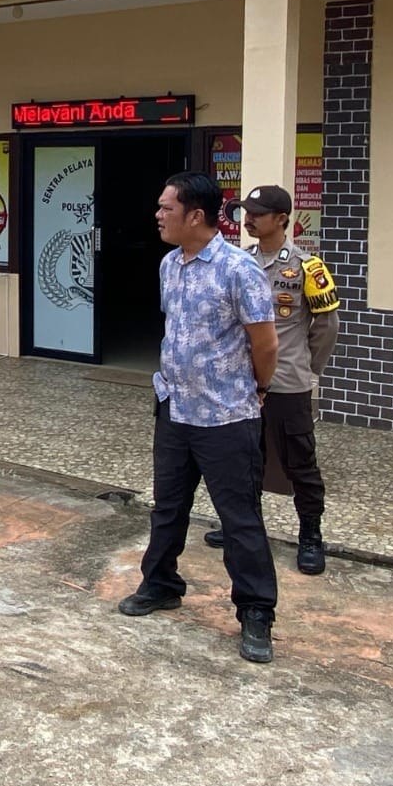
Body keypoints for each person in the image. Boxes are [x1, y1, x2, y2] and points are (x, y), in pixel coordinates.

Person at [117, 170, 281, 664]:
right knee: (168, 507)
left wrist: (259, 389)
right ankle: (160, 584)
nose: (158, 215)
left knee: (239, 519)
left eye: (166, 208)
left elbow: (265, 343)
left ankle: (256, 611)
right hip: (175, 408)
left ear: (195, 216)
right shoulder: (170, 264)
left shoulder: (239, 269)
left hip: (226, 415)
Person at [203, 185, 340, 574]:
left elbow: (326, 327)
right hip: (243, 383)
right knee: (245, 459)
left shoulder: (307, 268)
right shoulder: (239, 261)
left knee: (300, 462)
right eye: (246, 212)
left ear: (282, 219)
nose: (249, 219)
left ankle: (310, 535)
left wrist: (307, 369)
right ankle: (244, 528)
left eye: (258, 213)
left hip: (286, 383)